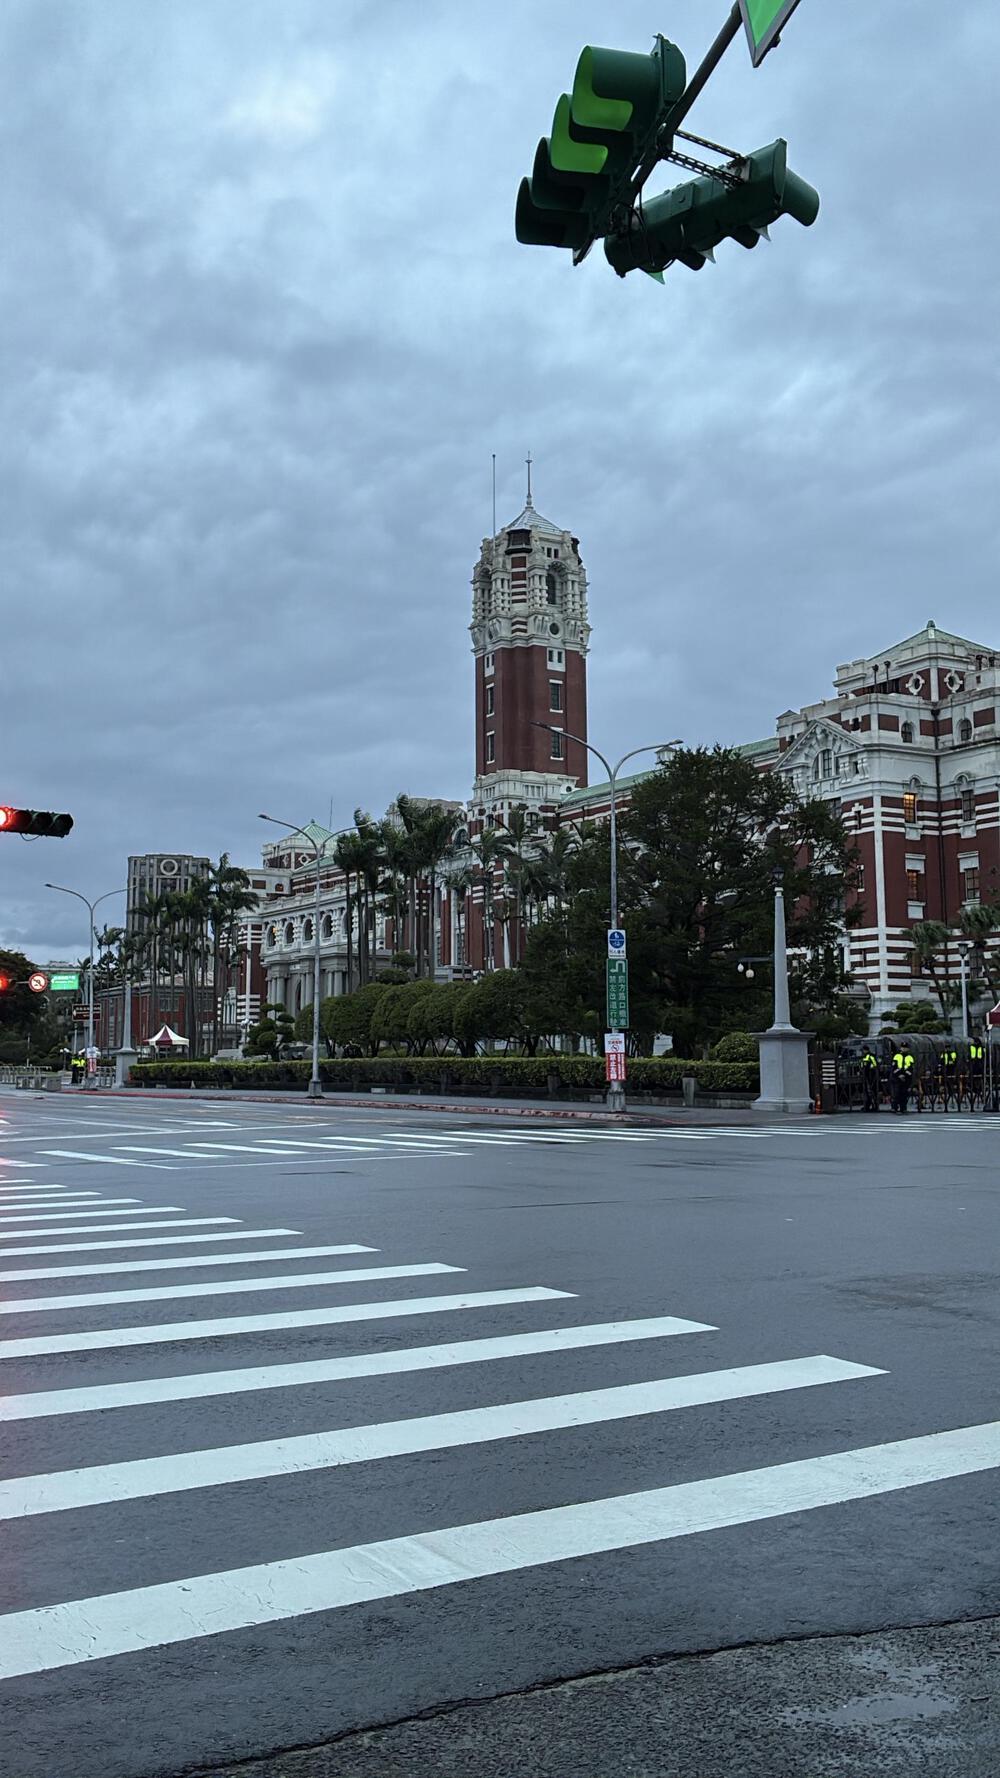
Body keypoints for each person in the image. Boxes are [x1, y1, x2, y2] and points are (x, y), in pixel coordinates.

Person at [891, 1041, 915, 1114]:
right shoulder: (897, 1056)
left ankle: (903, 1108)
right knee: (897, 1093)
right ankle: (895, 1108)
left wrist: (906, 1075)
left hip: (906, 1077)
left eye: (906, 1048)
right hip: (897, 1077)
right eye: (903, 1048)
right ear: (901, 1048)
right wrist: (899, 1075)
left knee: (905, 1093)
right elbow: (893, 1067)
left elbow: (911, 1068)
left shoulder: (910, 1057)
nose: (904, 1049)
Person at [860, 1044, 880, 1112]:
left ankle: (874, 1106)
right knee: (867, 1091)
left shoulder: (870, 1056)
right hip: (866, 1076)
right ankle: (867, 1106)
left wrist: (871, 1070)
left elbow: (875, 1065)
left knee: (872, 1091)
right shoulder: (864, 1057)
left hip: (871, 1076)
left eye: (863, 1050)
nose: (863, 1051)